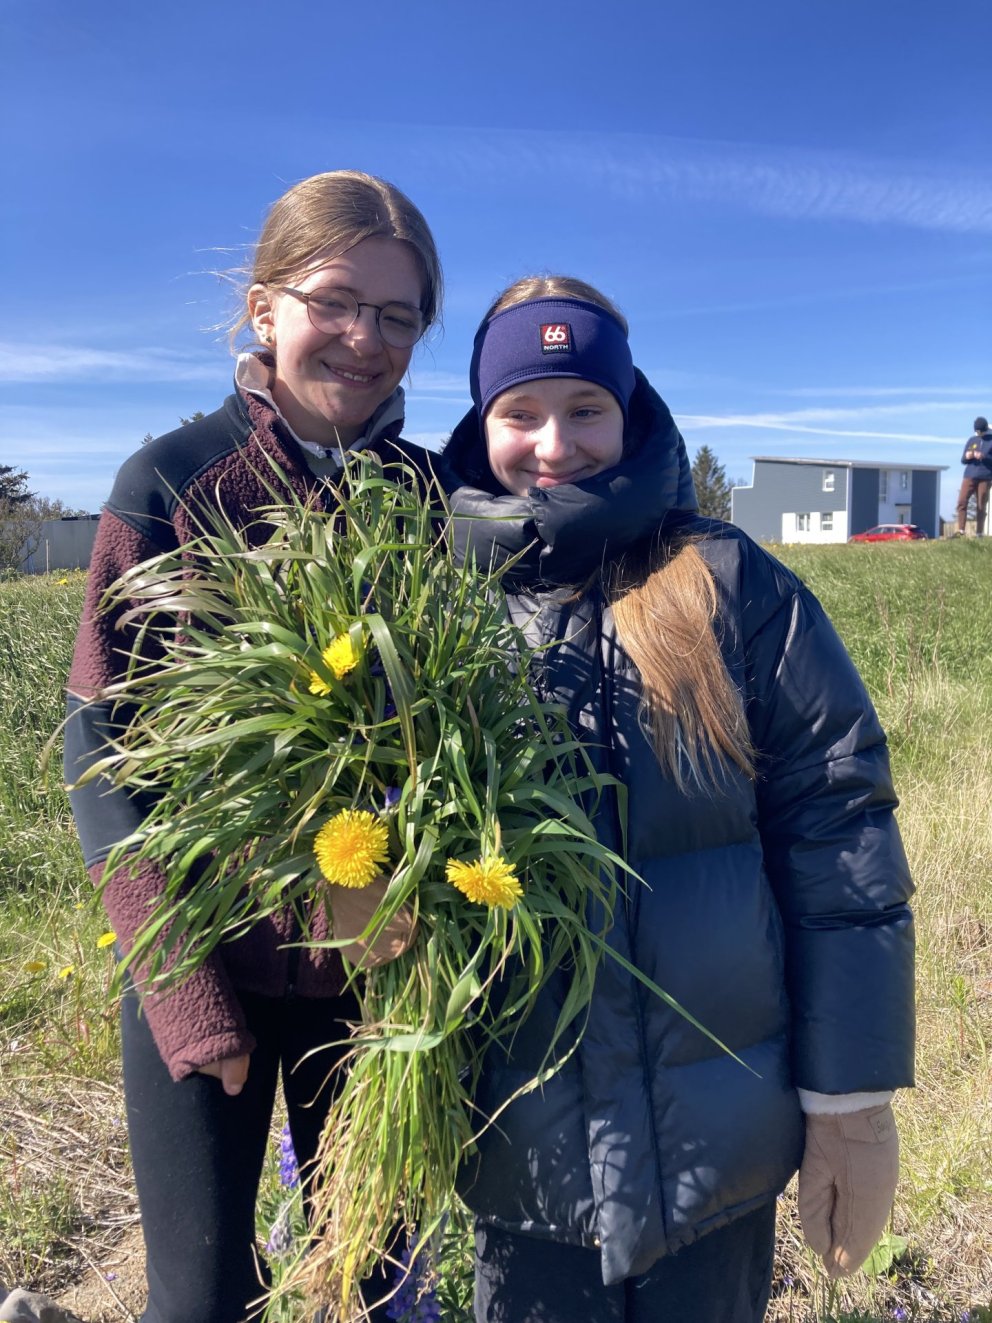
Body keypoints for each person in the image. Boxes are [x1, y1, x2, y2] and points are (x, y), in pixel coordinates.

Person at [437, 276, 916, 1323]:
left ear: (629, 409)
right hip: (520, 1158)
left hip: (716, 1156)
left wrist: (851, 1103)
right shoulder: (432, 610)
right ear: (479, 421)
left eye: (585, 408)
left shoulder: (731, 584)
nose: (554, 444)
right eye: (520, 411)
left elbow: (839, 834)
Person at [63, 170, 441, 1323]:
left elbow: (459, 740)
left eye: (397, 315)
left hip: (376, 983)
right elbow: (99, 751)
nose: (364, 338)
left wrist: (423, 929)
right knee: (200, 1299)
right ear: (263, 308)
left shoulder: (427, 500)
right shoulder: (173, 485)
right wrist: (184, 992)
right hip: (205, 967)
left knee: (375, 1287)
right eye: (336, 302)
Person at [955, 415, 992, 535]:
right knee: (962, 501)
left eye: (980, 431)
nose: (978, 433)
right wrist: (967, 456)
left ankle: (979, 533)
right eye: (977, 431)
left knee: (981, 505)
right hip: (969, 475)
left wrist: (983, 456)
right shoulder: (972, 440)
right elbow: (963, 460)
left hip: (985, 477)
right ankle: (961, 531)